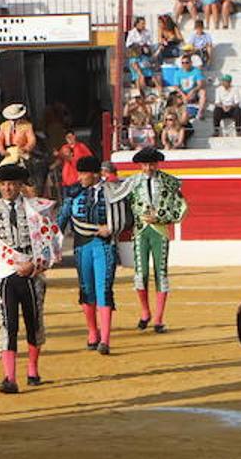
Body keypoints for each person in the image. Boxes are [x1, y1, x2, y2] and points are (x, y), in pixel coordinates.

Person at [0, 164, 60, 392]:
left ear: (20, 186)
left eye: (12, 184)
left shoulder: (36, 209)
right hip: (5, 274)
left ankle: (33, 369)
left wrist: (35, 264)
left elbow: (51, 243)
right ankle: (10, 378)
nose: (7, 188)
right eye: (4, 184)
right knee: (7, 325)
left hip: (32, 273)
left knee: (33, 322)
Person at [58, 155, 131, 355]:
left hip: (104, 245)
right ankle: (92, 331)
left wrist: (112, 228)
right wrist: (55, 246)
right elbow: (61, 220)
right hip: (82, 246)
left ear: (95, 174)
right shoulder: (73, 193)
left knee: (104, 289)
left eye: (83, 173)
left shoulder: (112, 191)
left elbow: (127, 218)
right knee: (87, 288)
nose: (80, 177)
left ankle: (105, 339)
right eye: (79, 173)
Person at [127, 147, 187, 333]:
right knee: (141, 274)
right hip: (140, 231)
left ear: (157, 163)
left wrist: (160, 218)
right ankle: (145, 312)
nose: (148, 167)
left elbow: (181, 207)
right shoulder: (132, 183)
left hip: (160, 231)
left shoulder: (169, 182)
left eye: (151, 164)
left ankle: (159, 319)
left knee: (161, 273)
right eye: (145, 164)